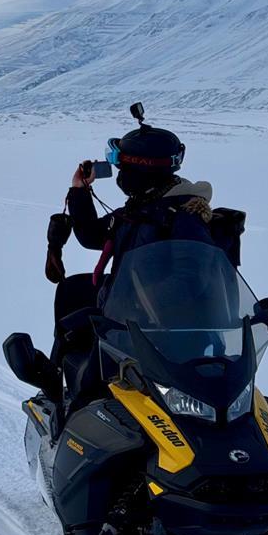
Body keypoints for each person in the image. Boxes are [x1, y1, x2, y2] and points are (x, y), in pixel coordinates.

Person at [47, 108, 244, 409]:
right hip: (138, 317)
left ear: (139, 169)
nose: (117, 172)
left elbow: (189, 281)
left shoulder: (183, 218)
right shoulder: (142, 208)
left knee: (90, 389)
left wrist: (133, 305)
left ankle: (79, 414)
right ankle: (56, 386)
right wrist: (80, 192)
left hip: (161, 334)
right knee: (72, 291)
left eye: (119, 163)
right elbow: (91, 236)